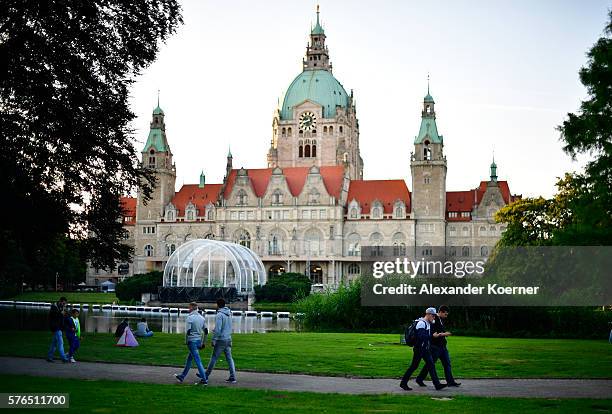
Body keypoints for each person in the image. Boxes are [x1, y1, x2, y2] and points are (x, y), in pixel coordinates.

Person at [399, 307, 447, 391]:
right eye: (433, 316)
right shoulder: (421, 323)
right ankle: (403, 383)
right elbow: (421, 337)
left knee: (431, 365)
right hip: (419, 349)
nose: (434, 318)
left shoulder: (427, 323)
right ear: (428, 314)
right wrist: (432, 336)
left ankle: (437, 385)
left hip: (425, 349)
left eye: (434, 316)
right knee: (414, 366)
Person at [415, 305, 461, 387]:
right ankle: (420, 379)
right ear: (440, 312)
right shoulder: (433, 319)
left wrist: (444, 334)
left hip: (442, 346)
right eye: (445, 314)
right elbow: (432, 333)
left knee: (447, 364)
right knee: (430, 364)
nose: (446, 316)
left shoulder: (440, 320)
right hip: (435, 347)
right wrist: (444, 334)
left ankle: (450, 381)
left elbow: (440, 331)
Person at [175, 302, 208, 385]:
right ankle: (182, 376)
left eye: (189, 307)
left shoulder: (190, 318)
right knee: (190, 359)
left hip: (192, 341)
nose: (188, 309)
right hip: (198, 341)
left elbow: (188, 331)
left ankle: (204, 379)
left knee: (197, 360)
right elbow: (206, 331)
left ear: (192, 308)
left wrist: (186, 341)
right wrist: (203, 342)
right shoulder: (202, 318)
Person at [205, 298, 237, 383]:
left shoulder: (219, 315)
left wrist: (214, 339)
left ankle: (205, 375)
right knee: (229, 358)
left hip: (221, 339)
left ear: (217, 305)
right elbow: (226, 326)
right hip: (228, 338)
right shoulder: (229, 313)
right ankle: (233, 377)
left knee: (214, 358)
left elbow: (219, 329)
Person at [47, 297, 69, 363]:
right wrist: (61, 313)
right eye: (63, 303)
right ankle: (63, 358)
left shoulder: (61, 307)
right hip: (55, 327)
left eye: (65, 303)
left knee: (54, 343)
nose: (64, 304)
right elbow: (53, 315)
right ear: (60, 301)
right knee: (60, 343)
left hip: (59, 327)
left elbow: (65, 317)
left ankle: (49, 357)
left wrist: (65, 312)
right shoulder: (54, 307)